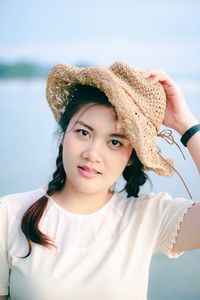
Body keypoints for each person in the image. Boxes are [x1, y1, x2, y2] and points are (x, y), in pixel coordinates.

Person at [0, 61, 199, 300]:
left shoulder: (148, 217)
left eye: (115, 142)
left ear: (130, 157)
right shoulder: (10, 214)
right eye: (84, 132)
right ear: (64, 136)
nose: (92, 154)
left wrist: (185, 123)